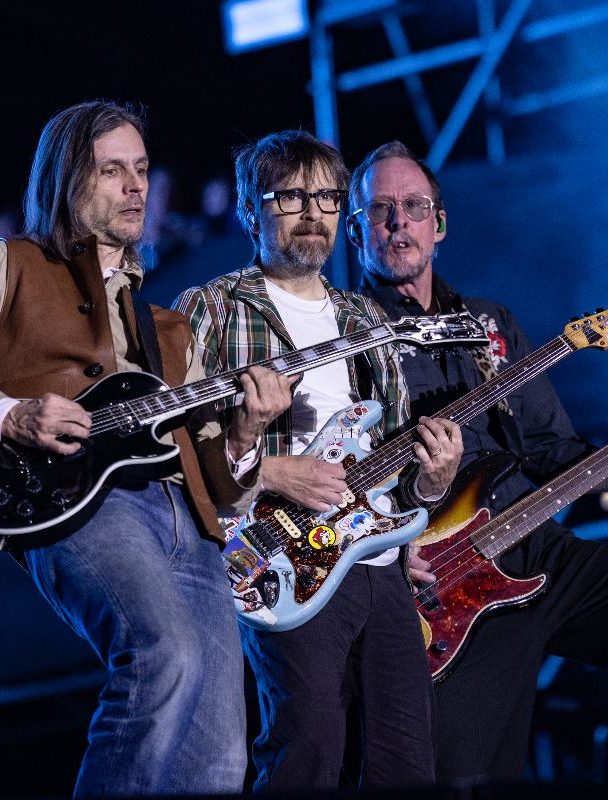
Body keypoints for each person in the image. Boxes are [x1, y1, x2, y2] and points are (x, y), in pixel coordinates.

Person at [0, 100, 295, 797]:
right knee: (163, 656)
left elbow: (223, 486)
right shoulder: (4, 265)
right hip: (74, 499)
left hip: (188, 527)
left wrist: (249, 434)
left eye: (141, 170)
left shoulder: (169, 331)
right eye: (113, 171)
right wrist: (11, 416)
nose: (137, 186)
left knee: (221, 752)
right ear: (71, 182)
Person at [348, 141, 608, 781]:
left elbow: (554, 451)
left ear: (439, 223)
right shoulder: (347, 335)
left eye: (413, 207)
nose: (398, 223)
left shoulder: (491, 326)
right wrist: (405, 514)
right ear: (356, 230)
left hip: (536, 546)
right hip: (438, 579)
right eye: (380, 210)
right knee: (458, 768)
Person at [172, 130, 463, 790]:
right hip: (278, 555)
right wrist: (273, 470)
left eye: (328, 196)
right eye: (292, 196)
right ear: (250, 211)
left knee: (408, 764)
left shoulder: (365, 317)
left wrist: (434, 477)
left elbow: (399, 463)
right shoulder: (211, 310)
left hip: (378, 563)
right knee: (308, 751)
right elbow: (173, 450)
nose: (313, 211)